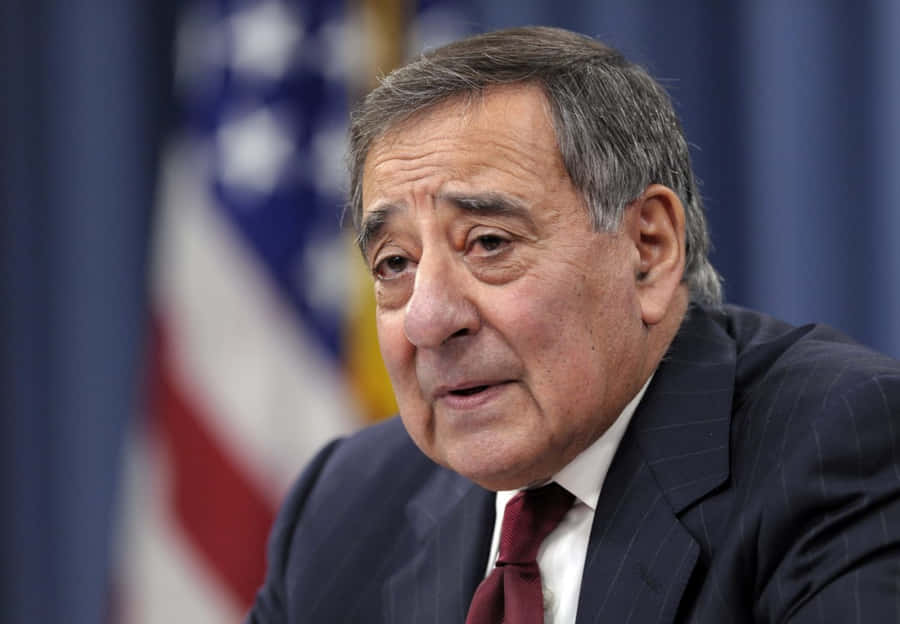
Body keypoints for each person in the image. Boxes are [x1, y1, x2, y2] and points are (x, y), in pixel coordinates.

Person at [246, 26, 900, 623]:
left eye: (489, 244)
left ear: (648, 249)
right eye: (394, 263)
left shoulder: (837, 447)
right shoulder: (344, 507)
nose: (428, 318)